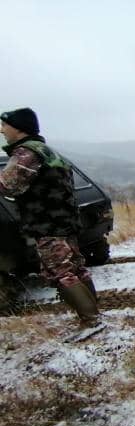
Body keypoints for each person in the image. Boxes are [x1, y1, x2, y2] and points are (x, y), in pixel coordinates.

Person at [0, 107, 102, 337]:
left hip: (47, 225)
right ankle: (94, 315)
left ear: (18, 128)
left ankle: (91, 321)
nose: (2, 130)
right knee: (76, 268)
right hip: (64, 222)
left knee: (60, 272)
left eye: (4, 125)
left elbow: (6, 185)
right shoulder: (46, 150)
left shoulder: (26, 153)